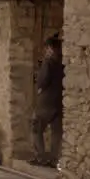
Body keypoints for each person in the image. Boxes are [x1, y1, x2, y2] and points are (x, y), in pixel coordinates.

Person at [31, 35, 64, 168]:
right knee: (57, 132)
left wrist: (38, 83)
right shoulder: (63, 62)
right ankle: (54, 159)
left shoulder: (48, 62)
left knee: (36, 129)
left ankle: (40, 157)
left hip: (46, 102)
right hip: (59, 102)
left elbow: (42, 80)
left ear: (50, 48)